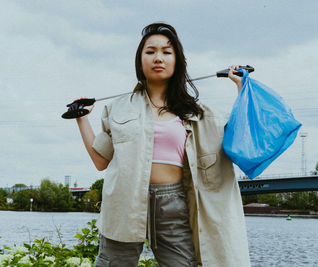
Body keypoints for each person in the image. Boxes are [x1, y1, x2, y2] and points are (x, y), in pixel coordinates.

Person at [75, 22, 250, 267]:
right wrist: (81, 118)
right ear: (140, 60)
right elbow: (100, 160)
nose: (159, 58)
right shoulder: (117, 107)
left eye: (167, 52)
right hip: (124, 203)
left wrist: (242, 89)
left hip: (173, 203)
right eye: (151, 51)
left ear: (177, 61)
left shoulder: (199, 113)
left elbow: (240, 143)